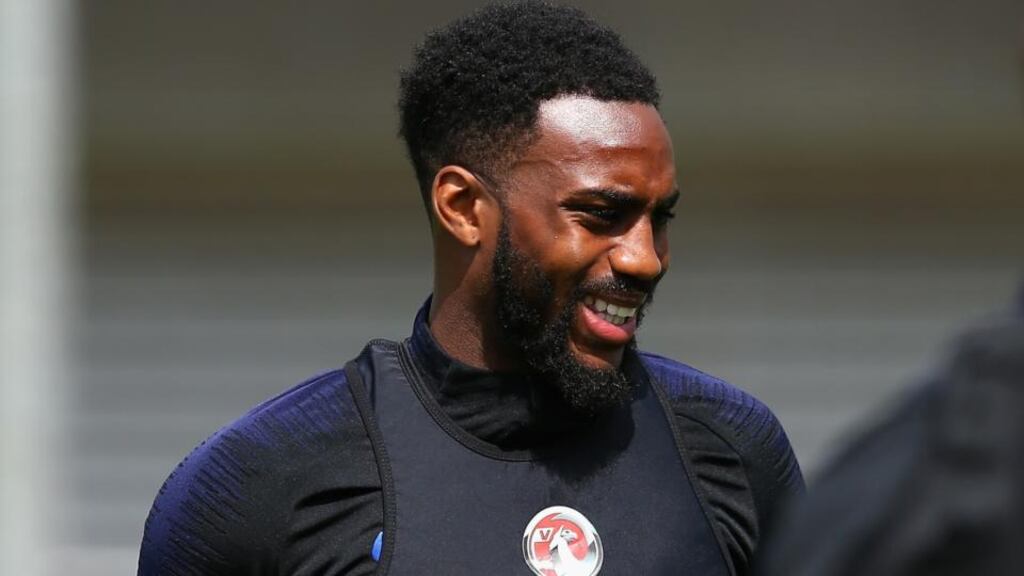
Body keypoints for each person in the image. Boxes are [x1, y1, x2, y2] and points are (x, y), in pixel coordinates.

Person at [138, 3, 803, 575]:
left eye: (659, 218)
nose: (646, 259)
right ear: (461, 206)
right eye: (601, 215)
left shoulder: (733, 452)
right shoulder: (263, 489)